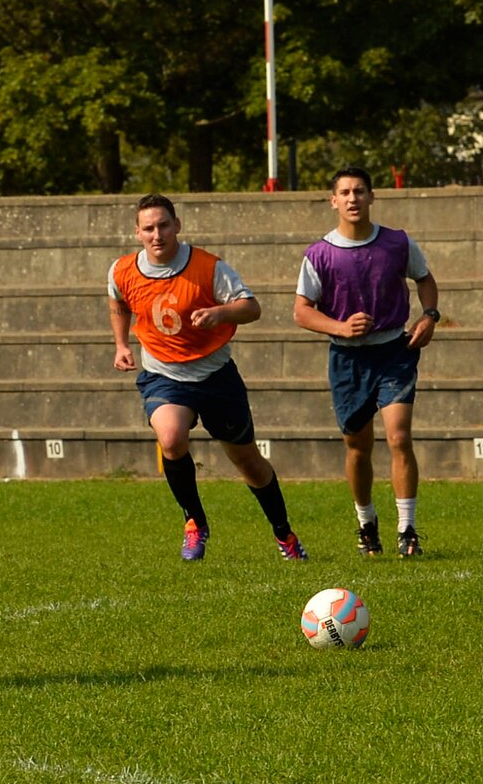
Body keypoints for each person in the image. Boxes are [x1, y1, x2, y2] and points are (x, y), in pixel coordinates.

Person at [109, 194, 308, 562]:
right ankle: (195, 523)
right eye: (149, 228)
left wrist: (220, 313)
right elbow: (118, 301)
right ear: (137, 233)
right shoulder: (122, 270)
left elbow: (251, 308)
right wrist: (122, 343)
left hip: (216, 377)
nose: (157, 234)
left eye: (164, 225)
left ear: (177, 226)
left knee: (247, 461)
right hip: (164, 376)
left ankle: (285, 534)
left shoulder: (209, 267)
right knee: (170, 438)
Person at [293, 167, 441, 557]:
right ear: (334, 201)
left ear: (372, 197)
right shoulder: (319, 254)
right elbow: (302, 311)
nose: (353, 198)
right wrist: (340, 328)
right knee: (357, 446)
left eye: (360, 191)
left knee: (399, 436)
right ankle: (366, 524)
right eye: (345, 192)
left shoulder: (397, 243)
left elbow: (425, 279)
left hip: (394, 350)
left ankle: (407, 530)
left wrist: (429, 315)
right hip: (347, 359)